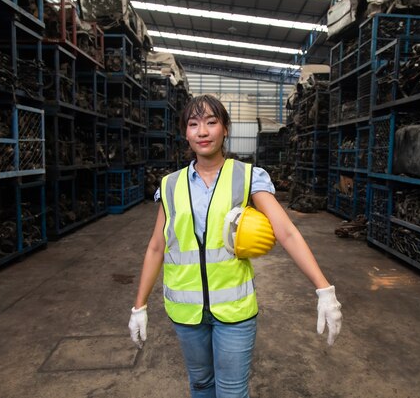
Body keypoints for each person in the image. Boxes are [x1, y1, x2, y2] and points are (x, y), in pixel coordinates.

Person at [128, 94, 342, 398]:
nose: (202, 132)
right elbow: (156, 247)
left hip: (235, 310)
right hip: (186, 311)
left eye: (211, 122)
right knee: (201, 384)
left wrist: (324, 290)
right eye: (193, 124)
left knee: (231, 391)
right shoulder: (170, 185)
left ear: (225, 129)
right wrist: (140, 306)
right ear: (185, 133)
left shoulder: (247, 176)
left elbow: (287, 232)